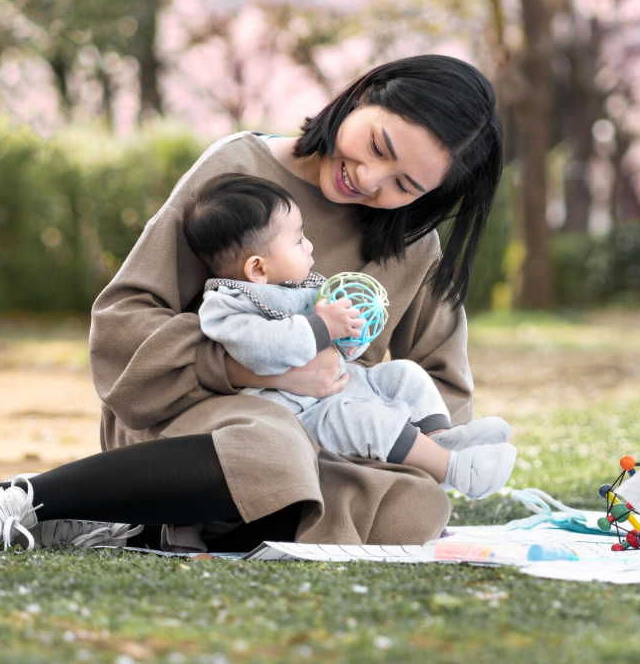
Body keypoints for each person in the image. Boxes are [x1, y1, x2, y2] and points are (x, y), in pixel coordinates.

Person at [0, 55, 506, 557]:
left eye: (406, 185)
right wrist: (251, 368)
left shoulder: (412, 246)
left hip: (329, 444)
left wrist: (365, 410)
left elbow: (439, 383)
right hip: (197, 417)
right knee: (273, 448)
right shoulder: (240, 173)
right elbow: (125, 319)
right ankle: (15, 501)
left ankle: (150, 526)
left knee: (413, 508)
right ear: (360, 95)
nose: (371, 179)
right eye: (377, 146)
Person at [186, 172, 515, 497]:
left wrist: (350, 338)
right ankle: (454, 470)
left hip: (340, 386)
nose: (309, 244)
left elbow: (334, 349)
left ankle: (440, 437)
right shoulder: (226, 306)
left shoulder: (300, 287)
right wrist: (323, 325)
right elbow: (262, 350)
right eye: (298, 240)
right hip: (298, 418)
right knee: (367, 420)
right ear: (257, 268)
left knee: (404, 374)